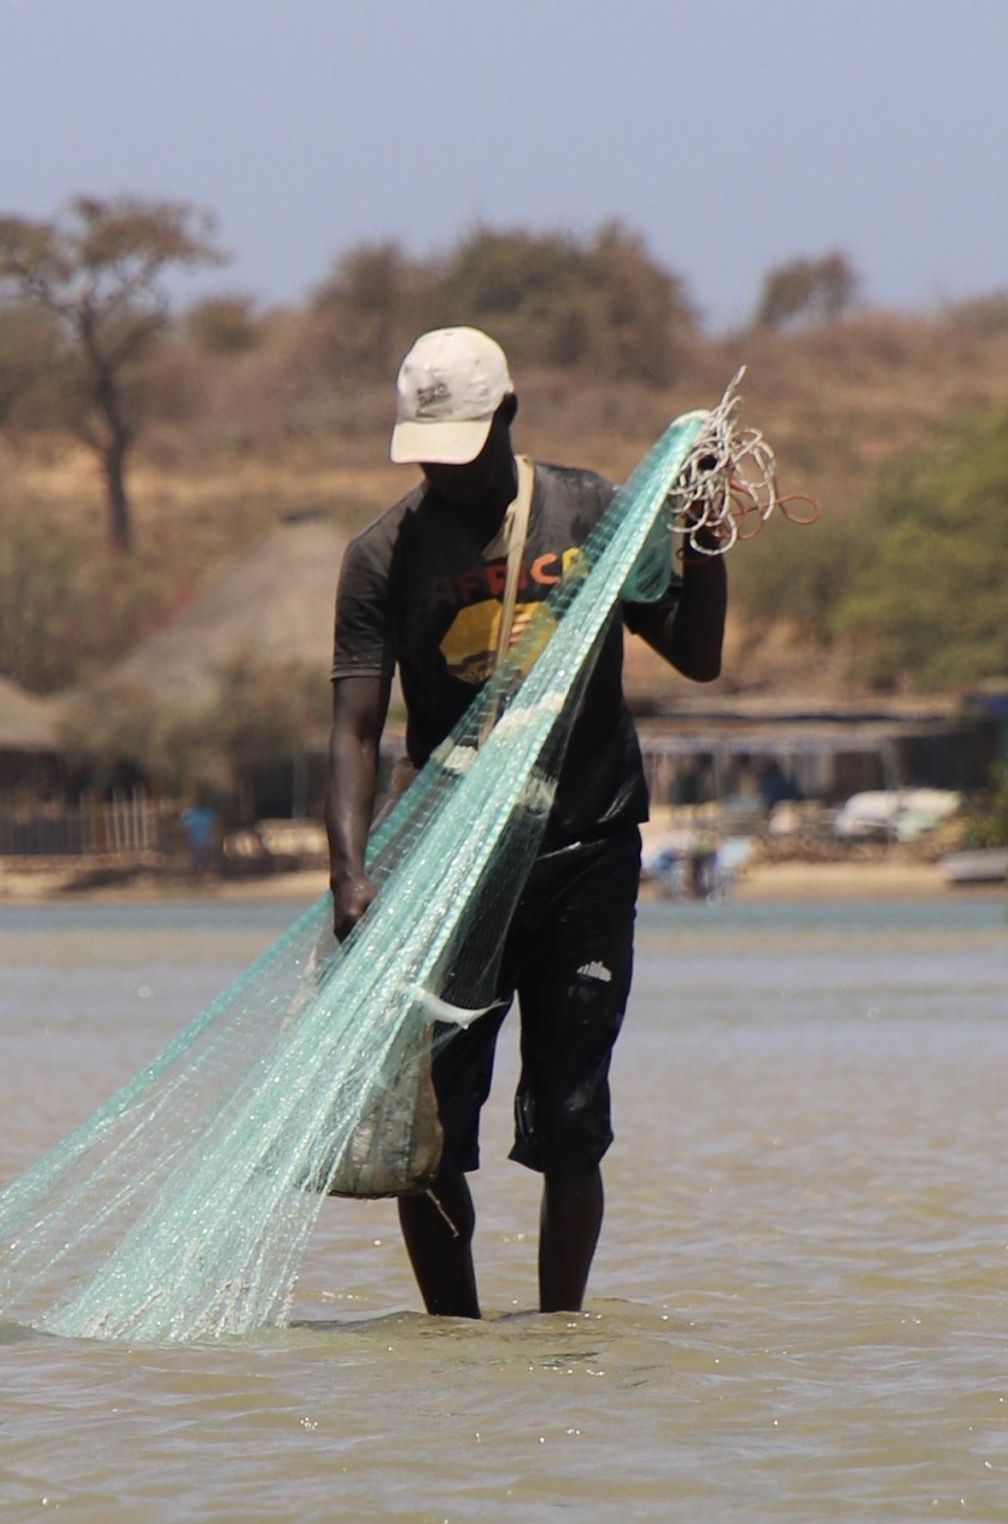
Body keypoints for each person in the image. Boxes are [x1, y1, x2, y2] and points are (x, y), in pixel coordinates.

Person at [326, 326, 727, 1319]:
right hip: (447, 868)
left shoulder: (591, 512)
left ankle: (560, 1335)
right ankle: (453, 1334)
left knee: (573, 1117)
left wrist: (706, 531)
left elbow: (699, 653)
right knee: (432, 1134)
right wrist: (348, 867)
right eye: (428, 450)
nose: (444, 472)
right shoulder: (383, 555)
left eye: (462, 445)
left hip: (586, 849)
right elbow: (353, 724)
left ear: (509, 413)